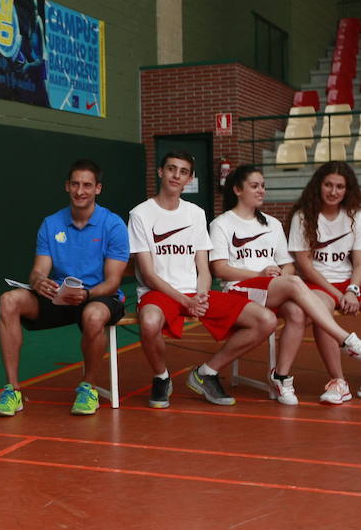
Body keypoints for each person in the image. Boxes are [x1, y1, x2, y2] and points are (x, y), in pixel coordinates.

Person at [127, 152, 276, 408]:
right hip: (159, 293)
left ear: (190, 178)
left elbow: (203, 267)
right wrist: (186, 300)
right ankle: (162, 377)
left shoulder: (195, 213)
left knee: (266, 320)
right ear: (160, 172)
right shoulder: (140, 214)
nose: (176, 175)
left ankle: (206, 372)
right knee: (150, 322)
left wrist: (202, 295)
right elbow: (149, 274)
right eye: (172, 169)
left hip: (194, 293)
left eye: (183, 171)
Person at [209, 165, 361, 405]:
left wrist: (279, 275)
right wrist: (262, 273)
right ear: (237, 189)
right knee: (297, 285)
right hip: (240, 289)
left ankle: (280, 376)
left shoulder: (272, 224)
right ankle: (346, 341)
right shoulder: (222, 224)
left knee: (298, 311)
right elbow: (219, 269)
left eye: (263, 186)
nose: (261, 190)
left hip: (271, 288)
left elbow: (288, 265)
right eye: (255, 186)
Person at [0, 159, 128, 416]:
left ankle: (89, 387)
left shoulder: (113, 225)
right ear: (67, 186)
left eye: (87, 185)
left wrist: (86, 294)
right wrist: (38, 282)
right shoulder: (51, 224)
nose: (80, 191)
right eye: (75, 184)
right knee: (9, 300)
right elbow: (38, 270)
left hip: (97, 296)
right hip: (59, 298)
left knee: (93, 315)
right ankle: (13, 391)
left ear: (98, 189)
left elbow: (113, 282)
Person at [288, 161, 361, 404]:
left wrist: (351, 290)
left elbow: (359, 263)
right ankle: (339, 382)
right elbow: (306, 266)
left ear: (347, 190)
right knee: (321, 312)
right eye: (328, 184)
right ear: (318, 185)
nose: (333, 191)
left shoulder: (355, 214)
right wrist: (336, 294)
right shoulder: (303, 216)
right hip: (319, 283)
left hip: (350, 281)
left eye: (340, 186)